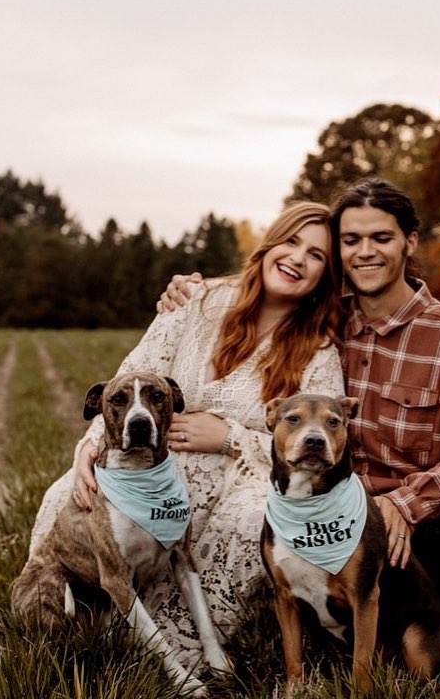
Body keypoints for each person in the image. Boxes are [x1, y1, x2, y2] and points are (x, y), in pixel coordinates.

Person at [161, 179, 440, 629]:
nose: (365, 252)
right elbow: (263, 290)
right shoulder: (321, 322)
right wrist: (190, 290)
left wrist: (406, 504)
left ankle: (430, 617)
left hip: (421, 516)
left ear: (410, 243)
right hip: (324, 511)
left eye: (381, 238)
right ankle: (327, 609)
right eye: (351, 241)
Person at [29, 201, 345, 666]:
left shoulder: (318, 351)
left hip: (245, 474)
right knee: (69, 498)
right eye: (291, 241)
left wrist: (230, 437)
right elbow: (129, 383)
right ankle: (75, 619)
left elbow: (323, 447)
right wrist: (90, 447)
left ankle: (180, 645)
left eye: (316, 255)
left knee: (250, 524)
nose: (298, 258)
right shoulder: (196, 301)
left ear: (325, 275)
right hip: (151, 459)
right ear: (268, 245)